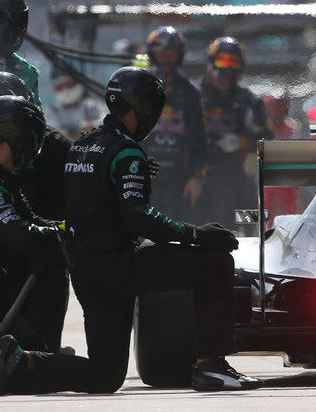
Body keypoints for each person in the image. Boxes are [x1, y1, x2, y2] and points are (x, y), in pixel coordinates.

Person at [61, 66, 260, 392]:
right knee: (215, 262)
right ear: (143, 108)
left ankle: (27, 362)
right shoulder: (126, 152)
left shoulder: (82, 146)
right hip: (119, 266)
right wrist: (194, 234)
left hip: (84, 272)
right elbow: (138, 218)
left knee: (104, 375)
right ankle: (211, 365)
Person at [0, 95, 88, 393]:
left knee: (36, 356)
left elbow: (33, 220)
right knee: (36, 365)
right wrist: (63, 235)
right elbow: (23, 236)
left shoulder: (1, 176)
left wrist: (68, 228)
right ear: (20, 138)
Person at [199, 37, 274, 226]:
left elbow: (268, 139)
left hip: (237, 177)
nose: (228, 67)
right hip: (197, 177)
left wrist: (241, 142)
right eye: (222, 60)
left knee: (250, 222)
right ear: (211, 62)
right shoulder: (193, 96)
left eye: (234, 61)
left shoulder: (250, 101)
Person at [141, 26, 207, 222]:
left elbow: (200, 141)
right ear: (153, 54)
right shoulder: (140, 86)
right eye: (162, 52)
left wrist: (196, 177)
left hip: (179, 179)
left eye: (172, 52)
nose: (167, 56)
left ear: (179, 55)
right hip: (144, 175)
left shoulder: (191, 92)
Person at [45, 69, 103, 139]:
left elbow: (106, 121)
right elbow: (56, 136)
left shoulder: (92, 105)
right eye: (60, 87)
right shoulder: (52, 112)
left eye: (69, 85)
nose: (66, 90)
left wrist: (92, 125)